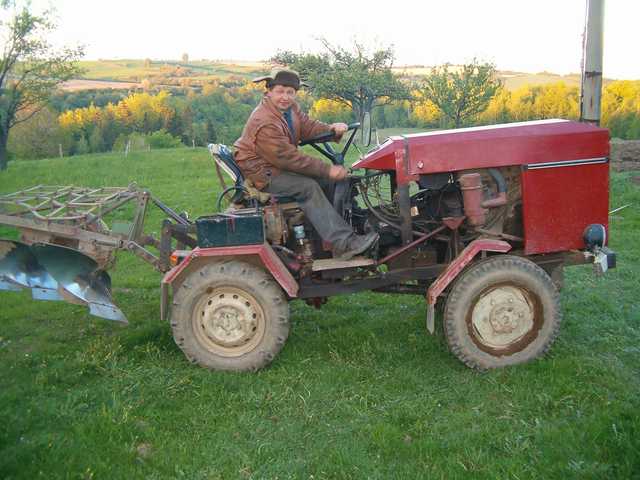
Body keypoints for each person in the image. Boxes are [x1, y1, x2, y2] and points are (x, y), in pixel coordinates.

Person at [233, 69, 378, 260]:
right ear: (268, 91)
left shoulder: (289, 109)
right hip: (262, 173)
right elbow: (288, 158)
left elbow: (307, 126)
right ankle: (344, 243)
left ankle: (344, 231)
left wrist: (331, 129)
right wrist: (328, 169)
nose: (285, 97)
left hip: (275, 165)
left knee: (330, 183)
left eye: (290, 92)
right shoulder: (264, 121)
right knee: (308, 187)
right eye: (280, 91)